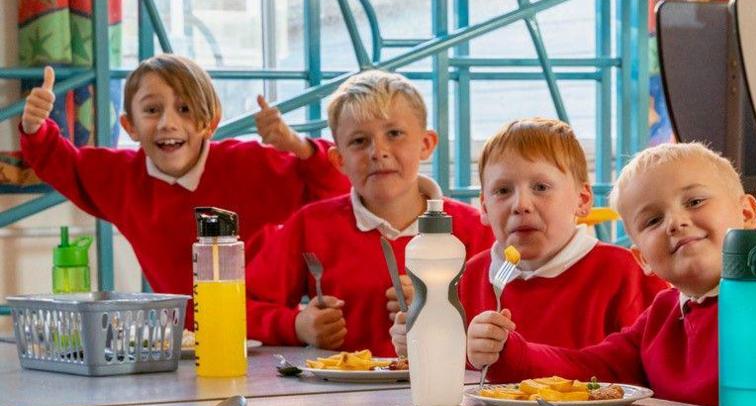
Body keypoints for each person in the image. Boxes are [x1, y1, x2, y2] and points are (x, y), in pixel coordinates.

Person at [465, 142, 756, 406]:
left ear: (745, 212)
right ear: (642, 260)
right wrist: (510, 352)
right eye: (652, 220)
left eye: (695, 201)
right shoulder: (662, 317)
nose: (676, 223)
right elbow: (589, 369)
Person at [18, 55, 349, 325]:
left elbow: (337, 186)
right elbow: (62, 163)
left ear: (211, 121)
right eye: (151, 110)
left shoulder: (248, 164)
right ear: (129, 126)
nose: (167, 123)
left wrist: (296, 145)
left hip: (269, 328)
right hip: (182, 338)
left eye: (185, 109)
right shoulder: (120, 178)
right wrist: (34, 126)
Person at [245, 70, 492, 355]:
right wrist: (296, 325)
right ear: (339, 160)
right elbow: (238, 309)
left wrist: (440, 306)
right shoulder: (311, 224)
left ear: (426, 144)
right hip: (334, 396)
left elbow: (510, 315)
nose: (378, 151)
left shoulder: (476, 229)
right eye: (359, 141)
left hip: (450, 392)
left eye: (394, 134)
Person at [390, 118, 668, 364]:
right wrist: (419, 343)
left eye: (541, 187)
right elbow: (455, 372)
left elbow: (646, 373)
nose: (521, 204)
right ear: (484, 208)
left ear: (582, 200)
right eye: (502, 190)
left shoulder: (625, 273)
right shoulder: (468, 277)